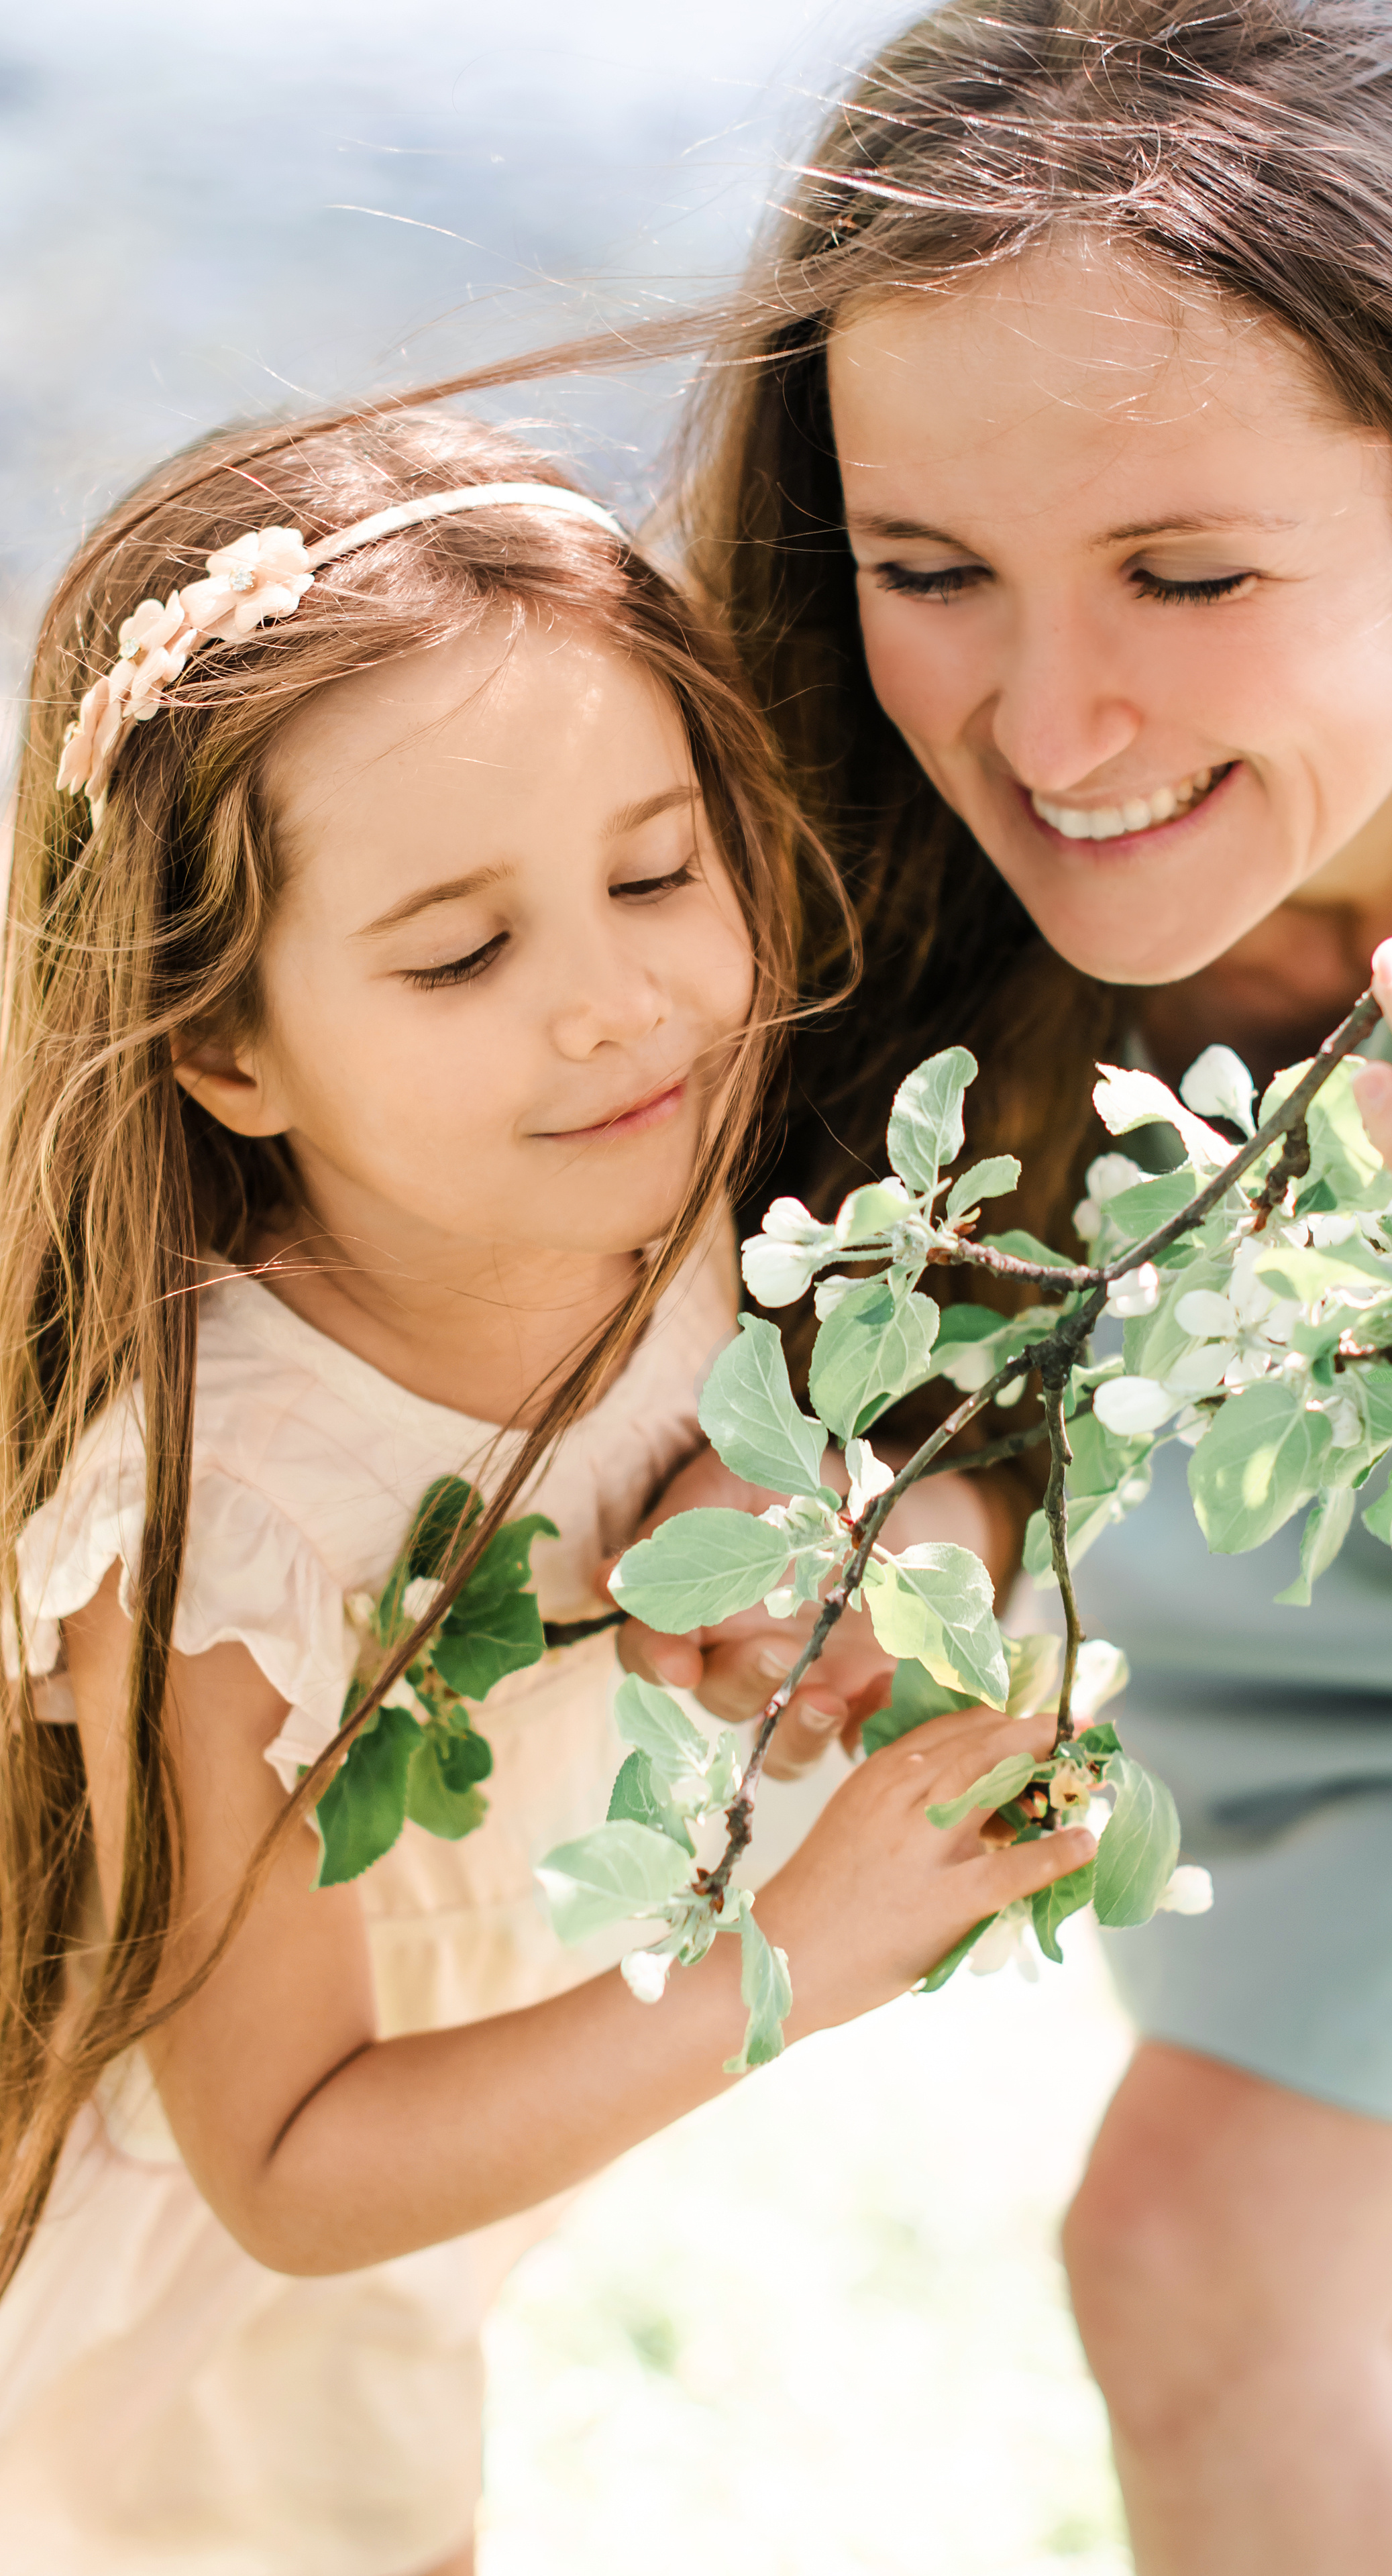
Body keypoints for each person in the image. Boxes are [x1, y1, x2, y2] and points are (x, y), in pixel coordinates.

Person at [598, 4, 1392, 2568]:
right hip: (1222, 1658)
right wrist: (924, 1550)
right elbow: (961, 1378)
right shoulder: (818, 784)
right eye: (927, 571)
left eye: (1190, 576)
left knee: (1207, 2264)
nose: (1050, 721)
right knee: (1369, 2304)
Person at [0, 406, 1095, 2576]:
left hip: (479, 2127)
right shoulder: (235, 1537)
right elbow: (291, 2168)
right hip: (212, 2319)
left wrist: (841, 1538)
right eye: (459, 952)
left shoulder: (656, 1207)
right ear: (225, 1047)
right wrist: (796, 1953)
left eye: (654, 872)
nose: (613, 1004)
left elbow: (840, 1451)